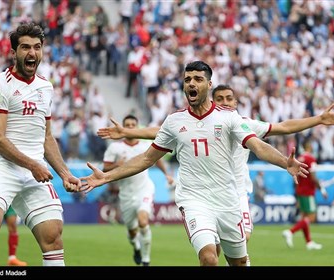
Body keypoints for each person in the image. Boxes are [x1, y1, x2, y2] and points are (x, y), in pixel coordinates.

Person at [81, 61, 309, 266]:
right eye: (187, 79)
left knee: (238, 262)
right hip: (194, 200)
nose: (191, 83)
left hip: (227, 200)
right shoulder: (174, 121)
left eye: (198, 79)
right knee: (208, 258)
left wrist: (283, 162)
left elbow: (257, 146)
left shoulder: (229, 118)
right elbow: (146, 159)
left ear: (209, 85)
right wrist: (106, 176)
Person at [0, 22, 81, 267]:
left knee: (53, 236)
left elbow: (47, 137)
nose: (32, 53)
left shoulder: (46, 88)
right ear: (13, 52)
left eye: (37, 47)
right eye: (25, 47)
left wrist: (64, 173)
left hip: (36, 171)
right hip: (5, 166)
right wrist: (33, 165)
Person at [103, 114, 174, 266]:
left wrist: (167, 174)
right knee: (132, 231)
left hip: (144, 189)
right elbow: (105, 168)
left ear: (136, 127)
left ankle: (146, 260)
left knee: (143, 221)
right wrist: (117, 165)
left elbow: (157, 159)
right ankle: (136, 247)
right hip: (126, 194)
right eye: (127, 125)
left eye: (132, 125)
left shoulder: (144, 146)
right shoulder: (115, 147)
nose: (130, 127)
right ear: (123, 127)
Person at [282, 138, 328, 250]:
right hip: (308, 192)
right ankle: (290, 231)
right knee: (311, 218)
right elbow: (313, 177)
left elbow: (296, 175)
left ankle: (309, 242)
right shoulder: (311, 159)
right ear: (309, 146)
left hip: (300, 191)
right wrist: (322, 189)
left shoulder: (299, 158)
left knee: (304, 217)